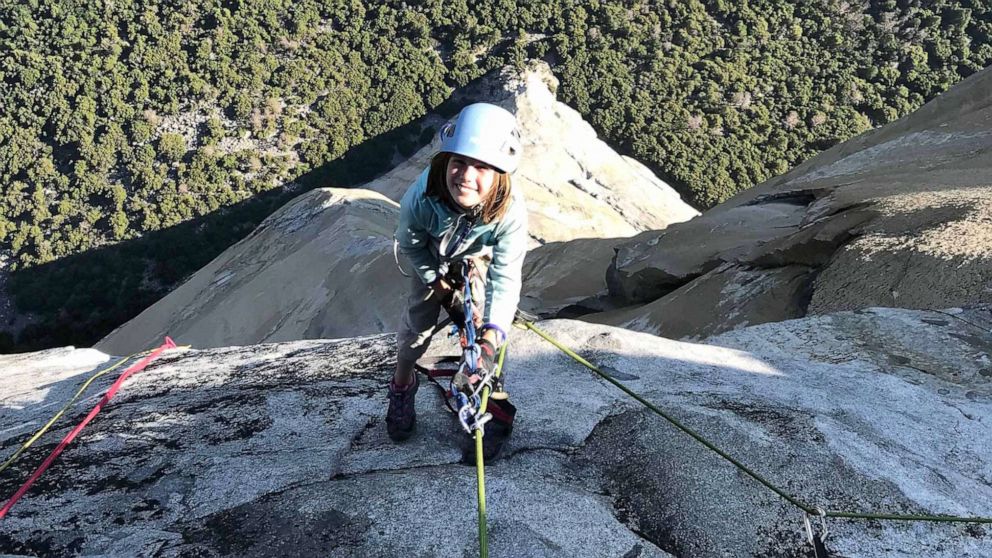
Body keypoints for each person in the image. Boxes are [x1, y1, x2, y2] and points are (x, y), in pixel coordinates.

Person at [388, 103, 528, 458]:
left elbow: (506, 274)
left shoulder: (510, 213)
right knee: (417, 327)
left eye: (481, 166)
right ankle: (403, 384)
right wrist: (437, 283)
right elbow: (411, 244)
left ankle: (487, 400)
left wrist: (493, 334)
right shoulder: (421, 197)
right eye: (459, 162)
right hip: (432, 255)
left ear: (500, 175)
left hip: (476, 256)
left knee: (486, 337)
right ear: (445, 161)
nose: (466, 175)